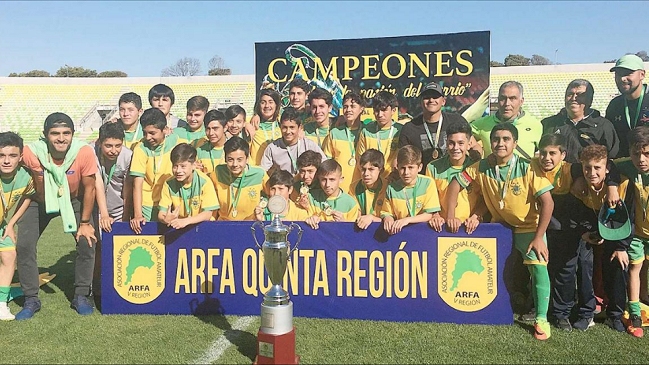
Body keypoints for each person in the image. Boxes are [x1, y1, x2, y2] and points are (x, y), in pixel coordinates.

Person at [446, 123, 554, 340]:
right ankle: (488, 309)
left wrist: (540, 236)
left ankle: (541, 318)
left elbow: (548, 203)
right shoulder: (482, 166)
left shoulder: (529, 167)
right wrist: (450, 214)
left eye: (506, 139)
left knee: (539, 267)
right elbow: (455, 184)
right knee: (490, 269)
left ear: (515, 143)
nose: (500, 143)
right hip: (498, 226)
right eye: (496, 139)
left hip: (528, 227)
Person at [16, 113, 99, 319]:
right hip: (39, 201)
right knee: (24, 245)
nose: (61, 138)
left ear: (72, 134)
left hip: (73, 199)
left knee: (87, 242)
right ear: (45, 135)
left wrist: (86, 222)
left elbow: (89, 189)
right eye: (55, 133)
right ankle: (31, 298)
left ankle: (81, 295)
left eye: (66, 133)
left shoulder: (83, 152)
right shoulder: (30, 152)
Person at [532, 134, 594, 332]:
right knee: (540, 268)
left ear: (563, 154)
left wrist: (581, 180)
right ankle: (538, 307)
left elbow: (605, 165)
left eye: (552, 153)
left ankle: (562, 314)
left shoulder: (573, 169)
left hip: (568, 228)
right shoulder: (531, 166)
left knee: (565, 272)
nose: (547, 158)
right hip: (540, 225)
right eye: (543, 153)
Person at [573, 144, 633, 334]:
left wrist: (622, 247)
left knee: (617, 263)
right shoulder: (578, 185)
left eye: (597, 167)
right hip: (590, 229)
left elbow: (629, 218)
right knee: (583, 262)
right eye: (587, 167)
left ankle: (615, 314)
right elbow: (577, 214)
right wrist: (585, 232)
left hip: (617, 230)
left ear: (607, 168)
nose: (592, 172)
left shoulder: (622, 185)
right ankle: (586, 313)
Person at [608, 126, 649, 337]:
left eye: (647, 153)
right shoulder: (627, 166)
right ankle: (635, 314)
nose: (641, 159)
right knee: (635, 268)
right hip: (638, 233)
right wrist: (613, 185)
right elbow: (609, 165)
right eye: (636, 153)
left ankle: (644, 301)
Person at [129, 108, 186, 232]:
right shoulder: (140, 148)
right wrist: (138, 214)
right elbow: (137, 184)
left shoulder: (176, 141)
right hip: (148, 204)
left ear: (165, 130)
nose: (148, 137)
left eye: (152, 133)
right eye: (145, 133)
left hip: (170, 201)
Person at [398, 81, 474, 171]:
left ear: (443, 101)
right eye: (426, 97)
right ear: (421, 101)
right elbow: (402, 158)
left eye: (435, 97)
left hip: (456, 177)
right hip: (423, 181)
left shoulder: (457, 120)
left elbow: (474, 146)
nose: (431, 100)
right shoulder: (409, 128)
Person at [541, 79, 619, 163]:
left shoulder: (604, 126)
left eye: (580, 95)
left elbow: (612, 158)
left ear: (590, 99)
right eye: (570, 94)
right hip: (557, 175)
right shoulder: (549, 124)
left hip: (588, 175)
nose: (574, 98)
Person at [0, 132, 34, 320]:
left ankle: (1, 303)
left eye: (12, 156)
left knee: (9, 254)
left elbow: (28, 197)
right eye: (1, 155)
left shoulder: (25, 177)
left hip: (1, 225)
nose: (6, 161)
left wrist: (11, 224)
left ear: (20, 157)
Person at [426, 120, 482, 234]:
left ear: (469, 144)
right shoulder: (433, 167)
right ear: (446, 143)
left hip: (469, 227)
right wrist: (435, 215)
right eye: (451, 143)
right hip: (441, 228)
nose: (455, 148)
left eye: (461, 143)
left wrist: (476, 216)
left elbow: (485, 200)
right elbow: (428, 199)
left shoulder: (476, 168)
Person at [471, 81, 542, 159]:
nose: (507, 103)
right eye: (503, 98)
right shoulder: (483, 124)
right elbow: (462, 133)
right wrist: (475, 146)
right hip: (491, 170)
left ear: (521, 101)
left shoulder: (535, 125)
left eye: (512, 98)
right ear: (498, 100)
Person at [380, 145, 440, 235]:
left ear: (419, 167)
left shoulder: (427, 183)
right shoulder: (392, 188)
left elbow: (429, 214)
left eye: (410, 167)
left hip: (423, 234)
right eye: (402, 168)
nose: (406, 173)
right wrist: (388, 218)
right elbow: (387, 212)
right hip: (400, 234)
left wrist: (407, 220)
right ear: (397, 167)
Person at [158, 143, 219, 228]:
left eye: (183, 166)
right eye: (175, 166)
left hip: (203, 226)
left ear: (194, 165)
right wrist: (165, 219)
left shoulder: (204, 182)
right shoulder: (168, 183)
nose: (178, 170)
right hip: (179, 226)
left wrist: (187, 221)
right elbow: (161, 213)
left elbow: (208, 213)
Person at [211, 136, 267, 221]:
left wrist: (263, 206)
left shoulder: (259, 174)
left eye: (239, 160)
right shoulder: (218, 172)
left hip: (250, 225)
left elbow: (274, 194)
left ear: (247, 159)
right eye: (230, 159)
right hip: (223, 225)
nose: (235, 164)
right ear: (225, 159)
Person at [260, 107, 325, 176]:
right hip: (284, 185)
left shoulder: (309, 145)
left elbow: (324, 165)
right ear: (280, 126)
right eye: (284, 127)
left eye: (292, 127)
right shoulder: (272, 148)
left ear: (300, 127)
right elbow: (263, 172)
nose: (288, 132)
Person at [606, 54, 648, 158]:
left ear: (642, 75)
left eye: (628, 73)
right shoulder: (614, 105)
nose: (622, 78)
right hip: (625, 169)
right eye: (618, 74)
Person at [93, 122, 133, 231]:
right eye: (108, 146)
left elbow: (127, 188)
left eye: (118, 146)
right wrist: (104, 215)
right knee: (98, 245)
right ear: (100, 143)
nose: (114, 151)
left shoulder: (128, 156)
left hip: (119, 210)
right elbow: (98, 183)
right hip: (97, 209)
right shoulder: (92, 152)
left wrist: (125, 216)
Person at [322, 91, 365, 192]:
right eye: (345, 106)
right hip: (341, 189)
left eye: (352, 106)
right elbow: (327, 162)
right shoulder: (335, 133)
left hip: (362, 188)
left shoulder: (367, 131)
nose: (348, 110)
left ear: (361, 109)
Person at [357, 91, 402, 178]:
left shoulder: (400, 130)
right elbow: (360, 160)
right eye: (377, 111)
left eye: (384, 110)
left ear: (393, 110)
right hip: (372, 181)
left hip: (393, 180)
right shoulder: (366, 131)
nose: (380, 115)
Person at [305, 159, 360, 229]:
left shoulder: (350, 203)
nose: (327, 184)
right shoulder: (311, 197)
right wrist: (310, 219)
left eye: (332, 179)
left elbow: (353, 234)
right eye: (323, 179)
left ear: (341, 179)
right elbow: (301, 219)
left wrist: (344, 223)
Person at [350, 149, 386, 230]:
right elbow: (356, 218)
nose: (366, 174)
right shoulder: (354, 188)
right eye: (363, 169)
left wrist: (372, 218)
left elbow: (392, 220)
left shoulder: (388, 188)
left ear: (381, 170)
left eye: (371, 169)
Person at [249, 89, 282, 166]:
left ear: (276, 105)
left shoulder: (281, 122)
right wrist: (245, 124)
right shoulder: (252, 122)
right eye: (263, 102)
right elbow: (236, 122)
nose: (267, 106)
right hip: (259, 173)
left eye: (271, 102)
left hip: (280, 173)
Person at [194, 109, 227, 174]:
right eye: (208, 129)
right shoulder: (199, 151)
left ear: (225, 128)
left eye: (215, 129)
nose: (211, 133)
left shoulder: (235, 148)